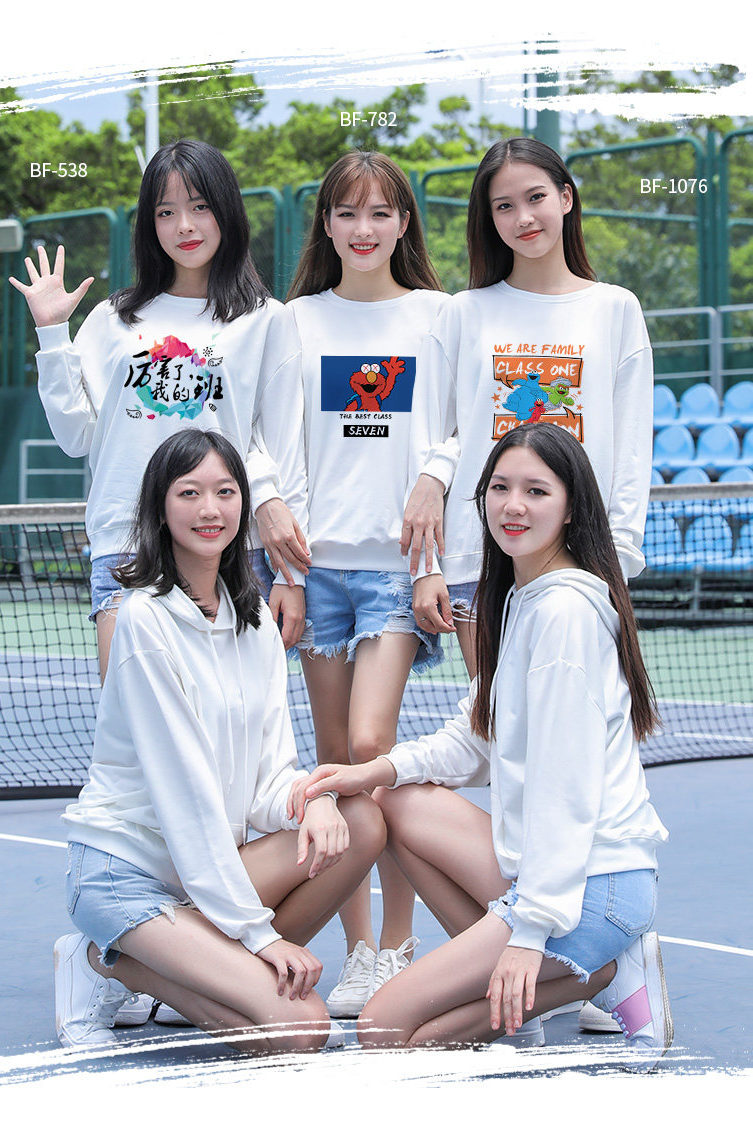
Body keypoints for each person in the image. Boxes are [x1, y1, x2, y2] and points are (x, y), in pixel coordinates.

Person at [291, 423, 672, 1071]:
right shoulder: (524, 598)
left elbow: (564, 792)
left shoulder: (563, 615)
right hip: (552, 875)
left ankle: (603, 973)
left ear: (571, 507)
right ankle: (528, 988)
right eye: (500, 487)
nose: (513, 505)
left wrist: (528, 934)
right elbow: (474, 737)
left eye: (536, 491)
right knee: (395, 798)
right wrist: (374, 770)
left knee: (383, 1031)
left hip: (592, 886)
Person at [53, 429, 385, 1054]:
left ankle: (192, 964)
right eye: (189, 493)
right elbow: (187, 798)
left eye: (225, 492)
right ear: (160, 508)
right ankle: (104, 961)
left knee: (360, 819)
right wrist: (261, 937)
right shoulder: (142, 620)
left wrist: (313, 798)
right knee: (300, 1030)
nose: (210, 509)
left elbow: (270, 776)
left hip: (205, 875)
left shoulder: (255, 623)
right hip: (127, 875)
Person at [9, 139, 309, 683]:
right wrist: (52, 334)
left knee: (226, 720)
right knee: (132, 719)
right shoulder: (112, 319)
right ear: (149, 225)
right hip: (128, 541)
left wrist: (292, 575)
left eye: (199, 206)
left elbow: (283, 448)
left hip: (228, 547)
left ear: (227, 210)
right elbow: (76, 436)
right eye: (165, 212)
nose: (184, 226)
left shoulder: (267, 319)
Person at [284, 151, 448, 1017]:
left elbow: (461, 422)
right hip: (317, 571)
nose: (363, 229)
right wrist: (286, 565)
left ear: (403, 223)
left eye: (381, 212)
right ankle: (357, 952)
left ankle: (398, 943)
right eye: (347, 213)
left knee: (369, 744)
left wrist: (436, 481)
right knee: (334, 762)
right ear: (326, 224)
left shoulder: (437, 315)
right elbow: (277, 443)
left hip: (395, 573)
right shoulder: (295, 321)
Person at [401, 137, 654, 682]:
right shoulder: (463, 313)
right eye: (504, 206)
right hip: (478, 559)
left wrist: (618, 559)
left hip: (583, 562)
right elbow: (427, 445)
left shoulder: (616, 309)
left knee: (566, 718)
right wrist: (426, 568)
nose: (523, 217)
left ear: (566, 197)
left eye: (535, 197)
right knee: (495, 721)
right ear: (489, 218)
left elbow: (632, 450)